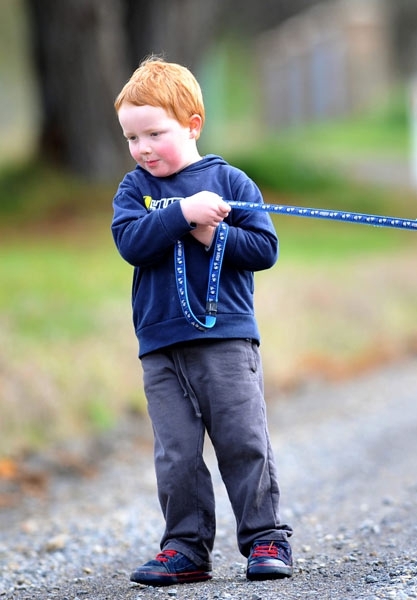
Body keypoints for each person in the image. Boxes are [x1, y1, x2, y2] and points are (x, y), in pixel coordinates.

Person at [111, 57, 293, 587]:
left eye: (154, 134)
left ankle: (265, 537)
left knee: (242, 439)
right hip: (161, 344)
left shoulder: (229, 181)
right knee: (177, 453)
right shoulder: (134, 190)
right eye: (131, 138)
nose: (143, 148)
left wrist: (214, 234)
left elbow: (263, 249)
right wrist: (182, 214)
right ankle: (186, 547)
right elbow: (131, 243)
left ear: (192, 125)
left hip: (226, 340)